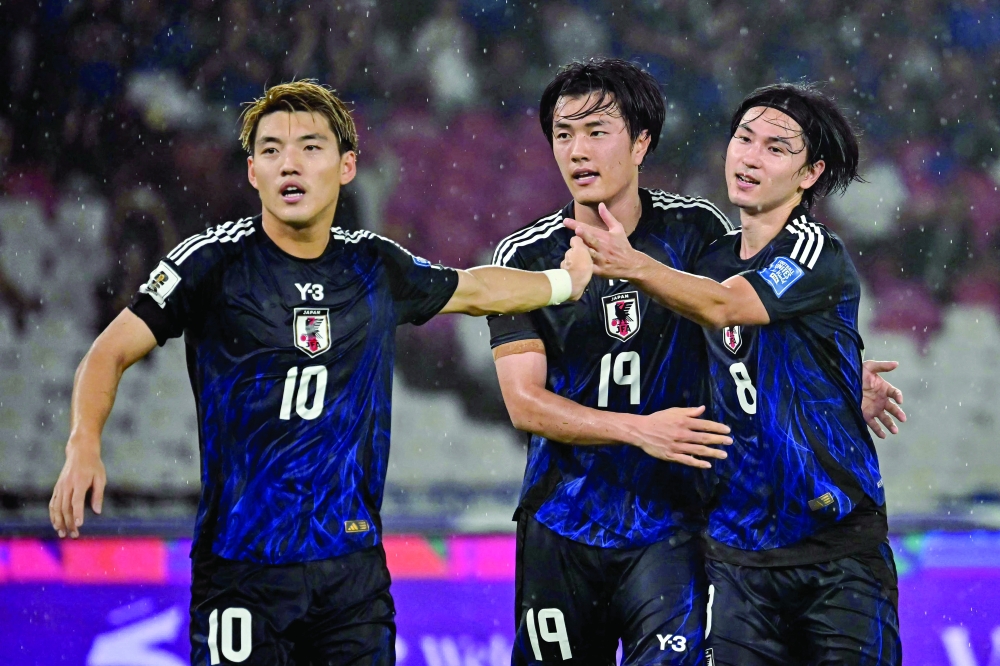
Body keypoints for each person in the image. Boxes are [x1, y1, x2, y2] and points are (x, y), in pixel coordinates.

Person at [48, 80, 593, 666]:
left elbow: (477, 287)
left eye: (310, 147)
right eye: (272, 149)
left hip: (351, 576)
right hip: (242, 570)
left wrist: (566, 283)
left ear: (347, 165)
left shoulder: (373, 266)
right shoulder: (211, 262)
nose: (291, 163)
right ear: (253, 170)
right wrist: (83, 444)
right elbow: (108, 352)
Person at [567, 82, 905, 665]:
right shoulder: (711, 261)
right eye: (743, 139)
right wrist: (845, 384)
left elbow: (729, 306)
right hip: (738, 555)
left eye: (776, 148)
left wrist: (634, 264)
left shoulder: (813, 252)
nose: (749, 156)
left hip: (836, 549)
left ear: (809, 174)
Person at [489, 58, 737, 666]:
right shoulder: (527, 256)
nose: (578, 150)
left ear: (642, 141)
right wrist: (638, 430)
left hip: (671, 524)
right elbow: (524, 402)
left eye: (597, 131)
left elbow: (741, 333)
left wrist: (833, 382)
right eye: (564, 134)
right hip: (561, 524)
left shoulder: (696, 232)